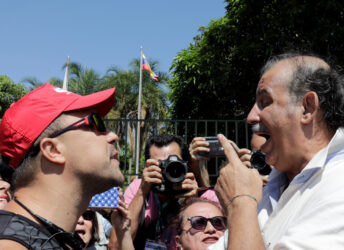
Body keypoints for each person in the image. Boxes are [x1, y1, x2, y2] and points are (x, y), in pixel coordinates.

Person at [209, 53, 344, 249]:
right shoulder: (270, 191)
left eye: (265, 102)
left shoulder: (343, 186)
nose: (251, 117)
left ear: (308, 108)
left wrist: (240, 202)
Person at [0, 83, 125, 249]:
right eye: (96, 123)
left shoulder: (52, 237)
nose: (113, 136)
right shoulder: (12, 245)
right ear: (53, 150)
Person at [109, 134, 218, 249]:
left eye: (174, 165)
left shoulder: (202, 195)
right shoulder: (139, 188)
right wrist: (142, 191)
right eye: (160, 165)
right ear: (147, 166)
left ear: (186, 165)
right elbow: (115, 245)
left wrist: (193, 203)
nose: (167, 172)